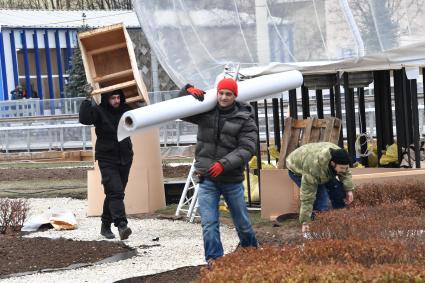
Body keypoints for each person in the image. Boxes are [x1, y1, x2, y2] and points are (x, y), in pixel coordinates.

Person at [179, 78, 258, 266]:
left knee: (242, 223)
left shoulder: (245, 118)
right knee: (209, 223)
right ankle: (214, 260)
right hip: (207, 179)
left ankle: (252, 254)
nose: (224, 97)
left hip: (231, 179)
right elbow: (181, 111)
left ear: (234, 96)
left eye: (228, 94)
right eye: (221, 93)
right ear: (217, 93)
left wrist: (224, 164)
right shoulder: (205, 110)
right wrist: (186, 91)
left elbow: (247, 148)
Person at [79, 88, 133, 240]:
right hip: (107, 158)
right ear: (106, 99)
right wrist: (87, 99)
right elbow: (84, 119)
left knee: (114, 193)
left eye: (118, 98)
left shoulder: (125, 110)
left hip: (125, 156)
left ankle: (105, 225)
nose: (116, 101)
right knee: (115, 192)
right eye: (113, 98)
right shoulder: (98, 111)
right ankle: (122, 225)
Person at [286, 142, 354, 233]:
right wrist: (305, 221)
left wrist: (349, 190)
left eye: (346, 168)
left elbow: (345, 173)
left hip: (317, 161)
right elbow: (307, 197)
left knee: (338, 191)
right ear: (333, 164)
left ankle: (340, 219)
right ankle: (318, 228)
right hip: (296, 167)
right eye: (342, 168)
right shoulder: (314, 170)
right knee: (321, 200)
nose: (344, 170)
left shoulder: (339, 155)